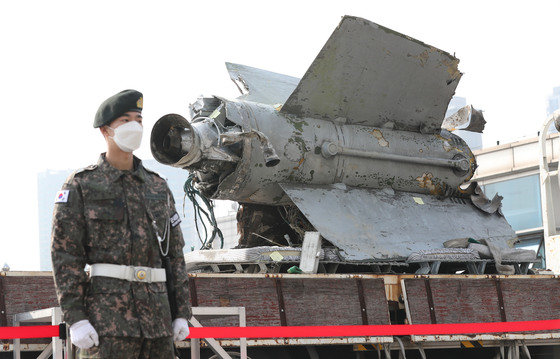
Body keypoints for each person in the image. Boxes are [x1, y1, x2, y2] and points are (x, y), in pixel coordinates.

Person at [51, 89, 191, 358]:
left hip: (158, 325)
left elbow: (175, 255)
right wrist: (76, 318)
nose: (135, 126)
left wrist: (181, 312)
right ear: (106, 130)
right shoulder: (81, 185)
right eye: (125, 120)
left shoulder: (158, 186)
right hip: (108, 325)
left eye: (138, 119)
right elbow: (65, 256)